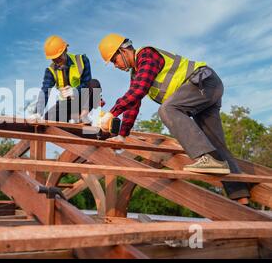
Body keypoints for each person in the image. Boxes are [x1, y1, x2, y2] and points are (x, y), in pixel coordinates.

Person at [97, 33, 251, 205]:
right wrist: (122, 135)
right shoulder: (136, 74)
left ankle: (206, 158)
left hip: (203, 83)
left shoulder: (147, 55)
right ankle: (241, 196)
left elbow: (139, 91)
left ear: (123, 51)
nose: (115, 66)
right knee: (215, 144)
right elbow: (133, 103)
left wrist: (112, 113)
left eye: (113, 60)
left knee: (167, 109)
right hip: (205, 88)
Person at [29, 35, 102, 123]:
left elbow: (87, 83)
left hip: (83, 100)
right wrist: (37, 113)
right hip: (66, 104)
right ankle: (71, 118)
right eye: (54, 59)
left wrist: (75, 91)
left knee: (94, 84)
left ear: (65, 50)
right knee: (48, 119)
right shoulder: (50, 71)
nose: (57, 62)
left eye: (59, 58)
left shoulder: (82, 60)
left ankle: (83, 116)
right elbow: (45, 91)